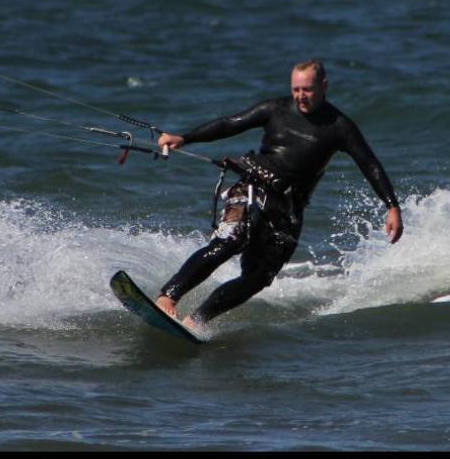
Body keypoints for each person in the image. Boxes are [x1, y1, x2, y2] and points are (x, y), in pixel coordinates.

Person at [154, 59, 402, 330]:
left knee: (258, 278)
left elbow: (370, 164)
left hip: (288, 209)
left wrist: (392, 206)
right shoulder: (276, 109)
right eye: (296, 89)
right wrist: (184, 138)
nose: (300, 96)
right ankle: (168, 296)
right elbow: (229, 124)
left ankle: (196, 321)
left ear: (323, 86)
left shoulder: (339, 127)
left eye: (307, 89)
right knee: (230, 241)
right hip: (253, 188)